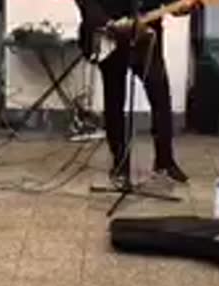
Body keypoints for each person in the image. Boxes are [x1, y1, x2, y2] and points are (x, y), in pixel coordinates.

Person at [75, 0, 195, 184]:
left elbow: (168, 3)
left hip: (147, 38)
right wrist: (108, 23)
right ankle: (120, 163)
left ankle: (165, 161)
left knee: (161, 96)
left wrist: (181, 8)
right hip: (112, 37)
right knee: (115, 101)